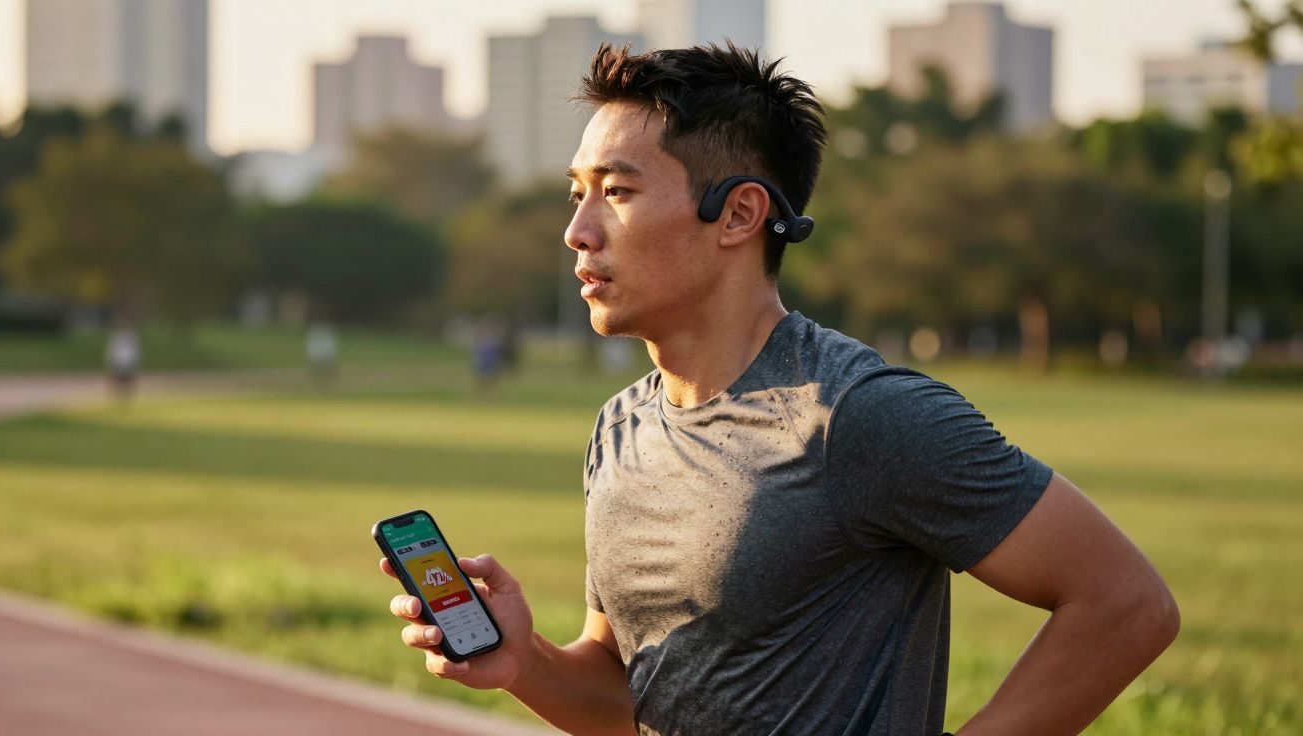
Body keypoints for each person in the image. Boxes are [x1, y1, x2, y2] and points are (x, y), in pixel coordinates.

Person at [381, 43, 1180, 735]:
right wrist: (523, 660)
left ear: (739, 215)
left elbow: (1125, 603)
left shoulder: (860, 414)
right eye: (577, 192)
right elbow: (628, 702)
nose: (577, 230)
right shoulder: (621, 427)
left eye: (616, 192)